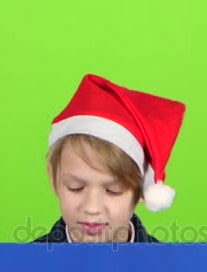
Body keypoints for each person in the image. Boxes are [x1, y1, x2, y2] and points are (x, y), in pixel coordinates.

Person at [32, 74, 185, 243]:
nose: (92, 208)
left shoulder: (169, 268)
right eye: (75, 187)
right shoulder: (23, 266)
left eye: (113, 190)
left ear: (142, 190)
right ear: (54, 178)